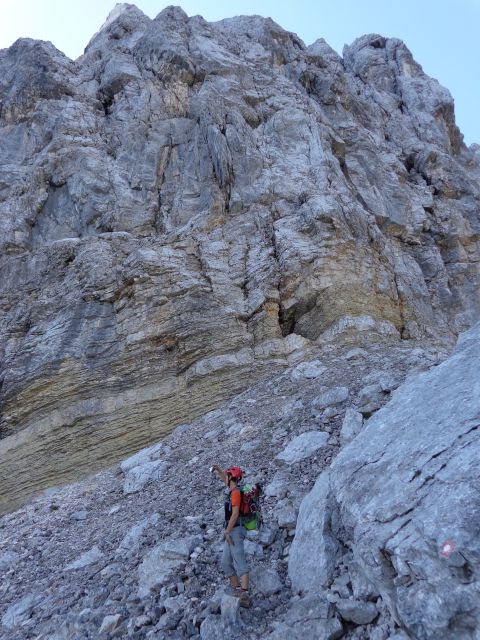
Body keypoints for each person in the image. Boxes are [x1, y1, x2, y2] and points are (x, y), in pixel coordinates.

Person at [211, 464, 250, 607]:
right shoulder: (233, 489)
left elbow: (234, 515)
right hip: (231, 531)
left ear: (231, 478)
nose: (225, 478)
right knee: (225, 563)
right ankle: (237, 590)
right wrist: (218, 470)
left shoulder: (235, 494)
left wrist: (227, 532)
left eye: (227, 476)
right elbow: (225, 479)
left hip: (235, 531)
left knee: (240, 561)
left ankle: (245, 594)